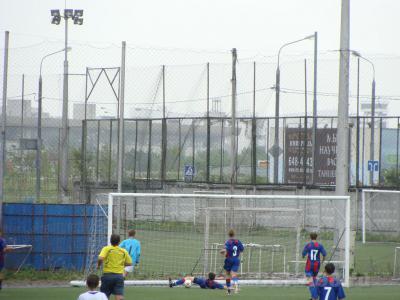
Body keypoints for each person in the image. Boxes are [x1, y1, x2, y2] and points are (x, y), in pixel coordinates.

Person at [97, 234, 132, 300]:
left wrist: (98, 265)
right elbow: (129, 263)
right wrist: (121, 264)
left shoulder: (106, 248)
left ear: (110, 241)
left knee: (104, 296)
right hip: (119, 276)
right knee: (119, 297)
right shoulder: (123, 251)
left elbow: (100, 258)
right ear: (119, 242)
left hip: (107, 276)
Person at [302, 233, 327, 299]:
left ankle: (314, 296)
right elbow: (324, 254)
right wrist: (323, 260)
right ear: (316, 237)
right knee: (314, 279)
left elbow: (303, 253)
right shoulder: (319, 245)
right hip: (317, 265)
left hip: (309, 265)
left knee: (310, 281)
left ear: (310, 237)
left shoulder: (308, 245)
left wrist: (303, 256)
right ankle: (315, 295)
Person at [220, 229, 244, 294]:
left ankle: (228, 290)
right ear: (234, 234)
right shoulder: (238, 241)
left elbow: (224, 250)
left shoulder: (227, 242)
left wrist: (221, 252)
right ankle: (236, 285)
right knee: (233, 274)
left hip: (229, 259)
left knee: (227, 274)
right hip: (236, 259)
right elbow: (242, 249)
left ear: (228, 235)